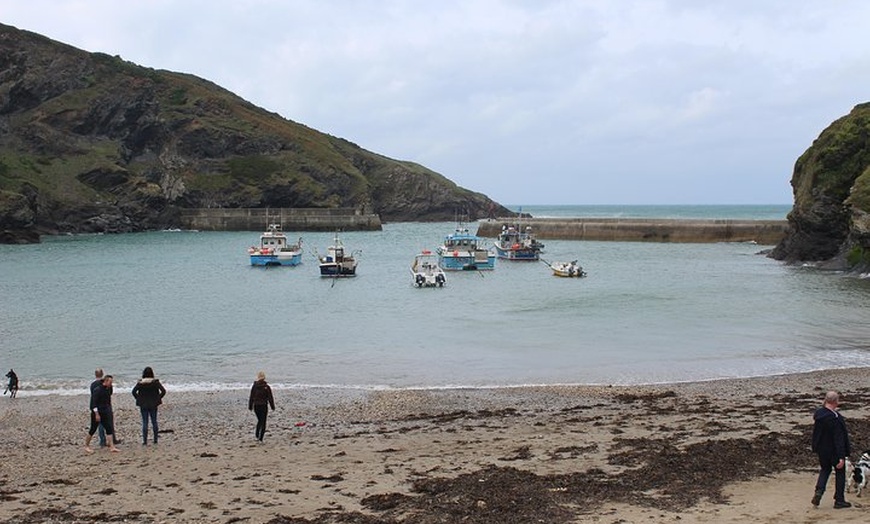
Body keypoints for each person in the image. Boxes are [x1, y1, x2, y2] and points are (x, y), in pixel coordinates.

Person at [812, 390, 852, 509]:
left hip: (822, 449)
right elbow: (838, 438)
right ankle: (839, 500)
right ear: (835, 402)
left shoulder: (819, 414)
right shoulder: (835, 418)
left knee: (825, 470)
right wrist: (841, 456)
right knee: (840, 472)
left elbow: (816, 434)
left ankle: (819, 491)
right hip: (834, 450)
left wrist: (815, 447)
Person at [131, 366, 167, 445]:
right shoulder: (155, 382)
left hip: (143, 404)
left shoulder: (140, 383)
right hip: (153, 404)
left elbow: (133, 392)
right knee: (154, 421)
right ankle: (155, 440)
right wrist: (158, 398)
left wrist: (139, 398)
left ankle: (145, 441)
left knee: (145, 422)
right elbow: (163, 391)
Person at [85, 375, 119, 453]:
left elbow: (108, 398)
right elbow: (93, 404)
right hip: (97, 412)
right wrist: (96, 414)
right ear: (105, 381)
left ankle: (112, 446)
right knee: (93, 429)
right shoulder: (97, 390)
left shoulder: (108, 389)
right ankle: (86, 446)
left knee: (109, 428)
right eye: (110, 382)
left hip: (105, 411)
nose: (111, 384)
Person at [248, 371, 275, 442]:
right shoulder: (266, 387)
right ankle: (260, 438)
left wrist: (250, 406)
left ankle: (257, 435)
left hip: (256, 406)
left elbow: (251, 396)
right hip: (263, 405)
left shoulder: (254, 386)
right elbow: (270, 398)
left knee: (259, 420)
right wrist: (272, 406)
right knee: (263, 421)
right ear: (264, 378)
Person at [90, 368, 107, 447]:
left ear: (95, 374)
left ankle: (102, 440)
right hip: (104, 405)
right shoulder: (104, 383)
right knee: (107, 423)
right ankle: (110, 439)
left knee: (99, 424)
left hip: (95, 406)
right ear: (102, 374)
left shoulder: (93, 384)